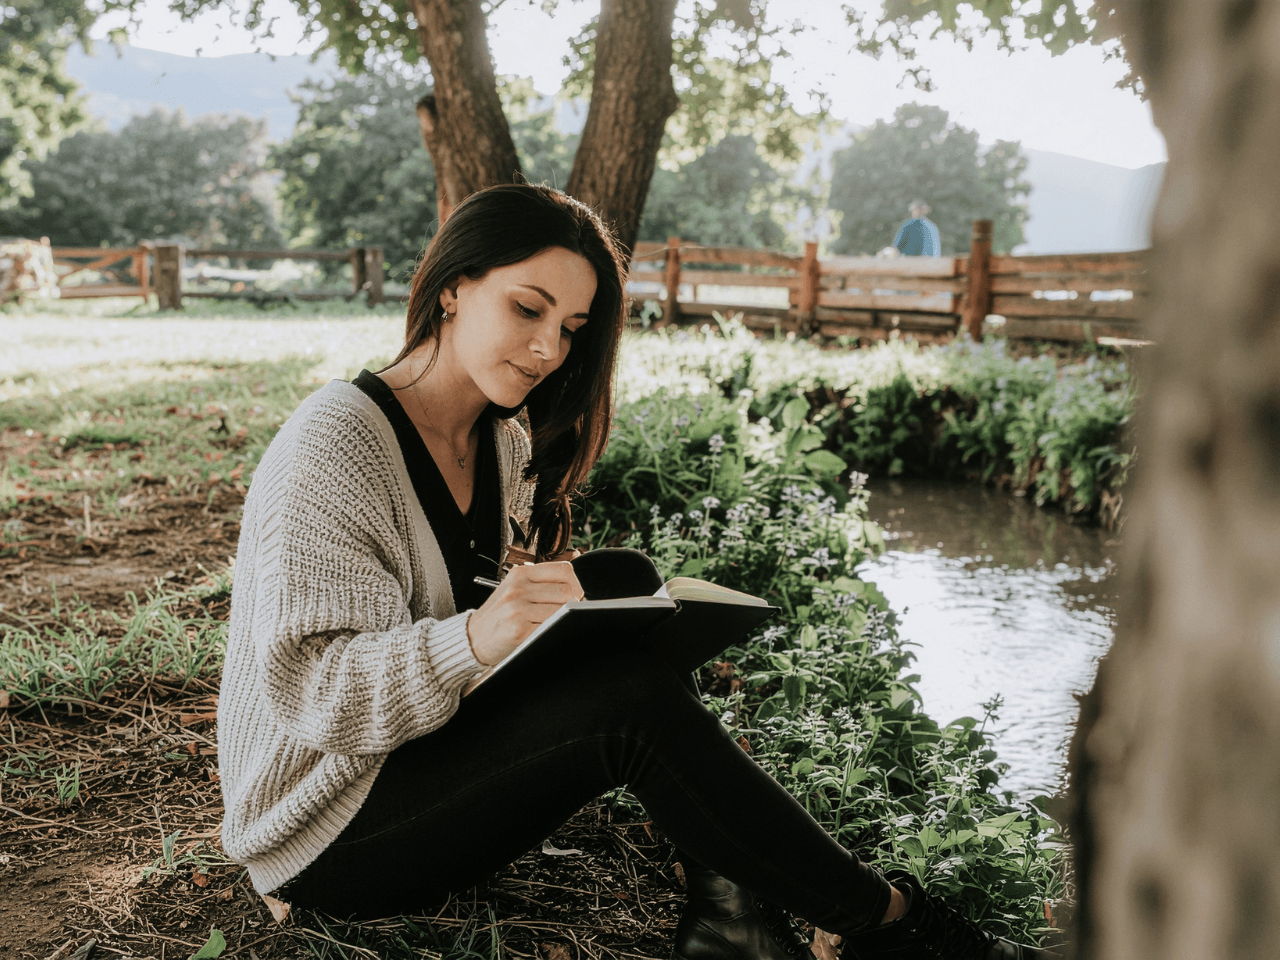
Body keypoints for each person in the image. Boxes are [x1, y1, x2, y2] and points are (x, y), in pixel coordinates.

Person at [217, 183, 1052, 959]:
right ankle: (895, 930)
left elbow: (457, 618)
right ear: (452, 287)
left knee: (630, 619)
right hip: (320, 827)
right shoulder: (337, 443)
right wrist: (476, 636)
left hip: (405, 764)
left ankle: (732, 919)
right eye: (527, 308)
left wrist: (551, 620)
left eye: (573, 329)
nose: (549, 349)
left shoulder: (500, 440)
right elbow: (318, 689)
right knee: (629, 705)